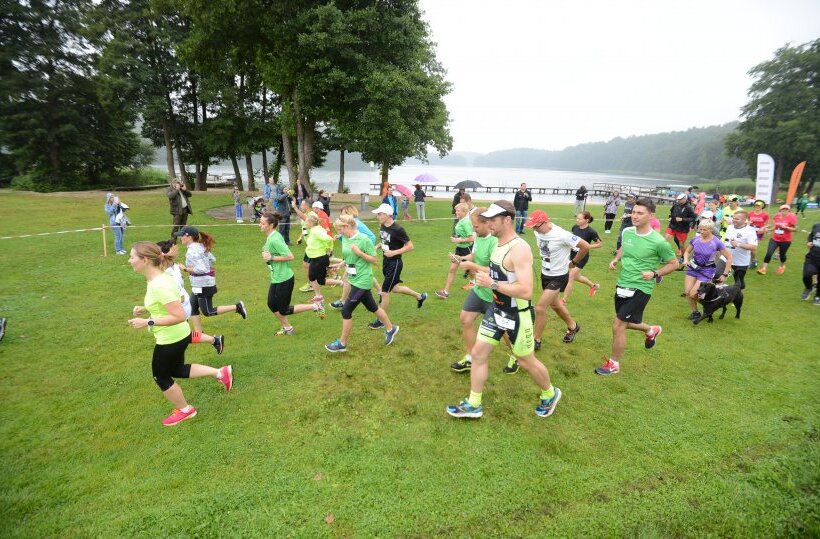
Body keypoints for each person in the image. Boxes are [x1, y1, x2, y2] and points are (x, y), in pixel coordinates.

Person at [446, 200, 562, 419]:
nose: (488, 223)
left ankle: (550, 393)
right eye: (487, 219)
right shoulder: (497, 244)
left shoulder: (519, 249)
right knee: (479, 353)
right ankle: (474, 404)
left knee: (526, 361)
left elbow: (526, 290)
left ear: (507, 220)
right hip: (496, 310)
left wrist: (492, 284)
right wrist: (484, 280)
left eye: (493, 219)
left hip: (518, 315)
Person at [127, 241, 232, 427]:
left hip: (170, 339)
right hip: (178, 334)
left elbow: (178, 315)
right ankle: (220, 372)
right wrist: (146, 308)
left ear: (144, 260)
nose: (129, 260)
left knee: (161, 376)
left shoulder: (159, 283)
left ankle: (185, 410)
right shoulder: (159, 278)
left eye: (132, 257)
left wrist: (148, 321)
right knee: (177, 369)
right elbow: (169, 304)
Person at [597, 198, 678, 376]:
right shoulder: (627, 232)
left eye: (640, 213)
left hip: (641, 287)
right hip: (622, 282)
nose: (635, 216)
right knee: (626, 323)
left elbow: (674, 263)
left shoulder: (658, 242)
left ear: (651, 216)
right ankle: (651, 330)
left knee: (618, 325)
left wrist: (656, 274)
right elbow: (624, 248)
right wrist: (616, 259)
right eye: (634, 212)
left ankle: (614, 364)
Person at [449, 207, 518, 374]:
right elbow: (474, 255)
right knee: (465, 319)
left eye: (476, 226)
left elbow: (495, 270)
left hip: (495, 294)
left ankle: (517, 355)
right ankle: (470, 358)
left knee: (504, 333)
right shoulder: (479, 237)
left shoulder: (495, 242)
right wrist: (462, 258)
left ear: (487, 223)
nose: (473, 229)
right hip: (479, 289)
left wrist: (471, 266)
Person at [325, 214, 399, 353]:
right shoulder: (346, 238)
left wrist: (360, 253)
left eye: (340, 229)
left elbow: (374, 260)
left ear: (347, 226)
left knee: (346, 310)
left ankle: (342, 343)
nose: (339, 233)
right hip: (353, 278)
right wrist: (340, 264)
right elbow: (348, 257)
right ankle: (391, 328)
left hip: (363, 280)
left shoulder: (363, 239)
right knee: (373, 308)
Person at [526, 210, 588, 352]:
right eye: (533, 226)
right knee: (556, 305)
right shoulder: (538, 232)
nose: (534, 229)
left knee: (540, 308)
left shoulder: (562, 235)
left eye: (536, 226)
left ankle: (536, 340)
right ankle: (573, 326)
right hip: (545, 274)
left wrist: (573, 262)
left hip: (559, 276)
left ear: (545, 222)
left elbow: (584, 246)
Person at [259, 212, 326, 335]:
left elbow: (290, 256)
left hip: (284, 278)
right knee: (271, 304)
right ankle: (288, 328)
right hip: (276, 277)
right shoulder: (272, 236)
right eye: (260, 222)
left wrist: (271, 258)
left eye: (263, 223)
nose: (260, 225)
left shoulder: (275, 239)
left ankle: (316, 306)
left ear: (271, 225)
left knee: (283, 309)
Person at [173, 226, 247, 334]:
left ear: (188, 237)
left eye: (182, 236)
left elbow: (201, 269)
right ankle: (198, 334)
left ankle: (237, 307)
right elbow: (212, 259)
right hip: (199, 284)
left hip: (203, 285)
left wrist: (184, 269)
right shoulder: (200, 246)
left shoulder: (192, 251)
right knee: (193, 306)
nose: (180, 238)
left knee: (208, 311)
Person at [154, 240, 224, 354]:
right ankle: (214, 340)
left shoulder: (167, 272)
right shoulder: (174, 267)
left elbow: (172, 290)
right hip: (181, 304)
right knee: (180, 334)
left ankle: (214, 340)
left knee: (180, 335)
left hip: (178, 305)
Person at [366, 204, 428, 329]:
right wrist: (377, 247)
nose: (377, 216)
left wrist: (394, 252)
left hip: (395, 264)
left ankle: (381, 320)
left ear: (388, 215)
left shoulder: (398, 229)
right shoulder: (383, 226)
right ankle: (420, 296)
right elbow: (384, 240)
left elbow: (410, 246)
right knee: (395, 288)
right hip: (386, 261)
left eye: (379, 214)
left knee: (385, 292)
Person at [329, 205, 381, 310]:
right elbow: (350, 237)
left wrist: (363, 250)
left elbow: (371, 237)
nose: (341, 215)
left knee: (348, 277)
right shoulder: (347, 227)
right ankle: (380, 292)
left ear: (350, 213)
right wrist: (340, 237)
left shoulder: (356, 223)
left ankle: (343, 302)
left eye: (344, 213)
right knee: (352, 276)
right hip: (355, 255)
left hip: (360, 252)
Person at [682, 220, 733, 320]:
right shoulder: (695, 239)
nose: (701, 232)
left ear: (710, 230)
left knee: (693, 293)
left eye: (704, 230)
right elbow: (687, 252)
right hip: (693, 268)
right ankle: (695, 312)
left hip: (707, 271)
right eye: (700, 229)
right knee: (688, 292)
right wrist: (686, 260)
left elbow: (729, 257)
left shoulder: (716, 242)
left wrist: (725, 274)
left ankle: (711, 305)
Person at [436, 203, 475, 299]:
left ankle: (475, 283)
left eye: (458, 210)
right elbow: (463, 235)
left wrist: (459, 240)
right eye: (456, 210)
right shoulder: (461, 220)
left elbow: (471, 238)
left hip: (467, 249)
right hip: (459, 249)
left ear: (464, 212)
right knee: (452, 270)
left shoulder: (466, 222)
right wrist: (457, 238)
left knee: (472, 269)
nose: (456, 212)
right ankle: (445, 292)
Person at [563, 211, 603, 303]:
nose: (577, 220)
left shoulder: (591, 231)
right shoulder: (575, 227)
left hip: (582, 256)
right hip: (572, 254)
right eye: (577, 218)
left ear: (587, 220)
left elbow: (600, 244)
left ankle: (563, 301)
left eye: (580, 219)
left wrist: (587, 246)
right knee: (577, 277)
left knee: (571, 277)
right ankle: (594, 286)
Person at [757, 204, 798, 275]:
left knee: (782, 255)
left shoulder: (792, 217)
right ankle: (763, 269)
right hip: (774, 239)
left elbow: (795, 229)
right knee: (769, 253)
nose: (784, 211)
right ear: (780, 210)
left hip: (786, 240)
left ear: (789, 210)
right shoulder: (777, 216)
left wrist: (786, 228)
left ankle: (782, 266)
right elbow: (775, 227)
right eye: (783, 209)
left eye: (786, 209)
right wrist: (768, 230)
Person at [303, 213, 335, 305]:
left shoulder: (316, 231)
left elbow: (328, 239)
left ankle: (319, 297)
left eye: (306, 222)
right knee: (319, 280)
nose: (305, 224)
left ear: (310, 222)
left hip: (319, 258)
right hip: (316, 258)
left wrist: (329, 249)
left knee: (313, 277)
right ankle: (319, 296)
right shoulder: (315, 229)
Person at [723, 210, 758, 290]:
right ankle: (720, 296)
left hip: (740, 261)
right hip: (726, 258)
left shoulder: (750, 230)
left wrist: (738, 244)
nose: (734, 220)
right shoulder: (730, 227)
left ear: (744, 220)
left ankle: (738, 300)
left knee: (739, 282)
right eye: (733, 218)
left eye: (737, 219)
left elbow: (754, 247)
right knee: (718, 275)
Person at [665, 193, 697, 262]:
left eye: (680, 200)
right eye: (678, 200)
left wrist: (682, 219)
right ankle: (664, 255)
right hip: (672, 225)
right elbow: (671, 213)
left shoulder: (689, 207)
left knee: (681, 245)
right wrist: (670, 218)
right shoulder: (676, 205)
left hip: (682, 228)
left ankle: (683, 256)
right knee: (665, 240)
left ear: (685, 199)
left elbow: (693, 218)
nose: (678, 201)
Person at [800, 222, 820, 304]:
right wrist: (809, 242)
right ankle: (808, 288)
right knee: (806, 275)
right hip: (812, 257)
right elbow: (811, 236)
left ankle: (818, 296)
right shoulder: (816, 226)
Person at [747, 200, 769, 268]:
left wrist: (763, 228)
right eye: (756, 205)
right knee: (749, 248)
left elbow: (768, 224)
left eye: (759, 206)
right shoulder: (750, 213)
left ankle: (753, 260)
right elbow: (746, 221)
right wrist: (748, 223)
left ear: (762, 206)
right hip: (750, 232)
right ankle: (753, 260)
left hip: (758, 233)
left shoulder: (765, 215)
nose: (757, 207)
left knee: (752, 248)